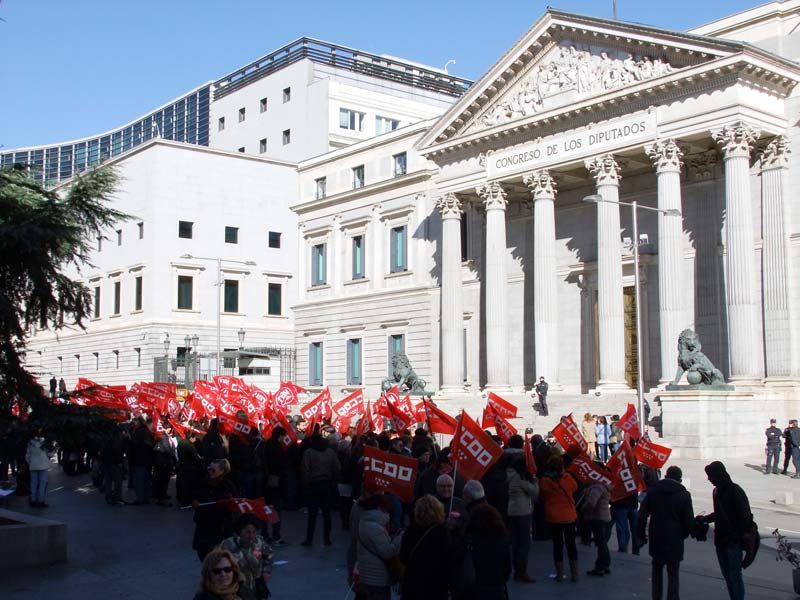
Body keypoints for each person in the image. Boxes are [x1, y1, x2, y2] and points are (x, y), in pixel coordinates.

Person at [637, 466, 694, 600]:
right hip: (675, 538)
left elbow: (642, 514)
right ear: (680, 479)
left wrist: (641, 534)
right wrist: (683, 534)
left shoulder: (653, 491)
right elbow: (689, 521)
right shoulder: (684, 495)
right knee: (673, 573)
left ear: (666, 476)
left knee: (656, 570)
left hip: (657, 535)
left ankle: (656, 597)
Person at [698, 461, 753, 600]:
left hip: (732, 542)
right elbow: (719, 514)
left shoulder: (735, 491)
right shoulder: (716, 491)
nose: (709, 479)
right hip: (721, 541)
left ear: (718, 475)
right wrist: (705, 519)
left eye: (710, 476)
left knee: (734, 576)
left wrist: (735, 537)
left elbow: (745, 517)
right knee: (728, 576)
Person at [454, 503, 511, 600]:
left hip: (472, 591)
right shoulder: (502, 539)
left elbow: (457, 565)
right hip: (495, 590)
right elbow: (506, 570)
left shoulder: (467, 540)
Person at [400, 495, 450, 600]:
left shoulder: (411, 531)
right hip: (436, 586)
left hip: (413, 584)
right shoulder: (443, 533)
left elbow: (403, 557)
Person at [538, 455, 579, 582]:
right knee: (571, 544)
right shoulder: (567, 478)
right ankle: (575, 574)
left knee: (557, 545)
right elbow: (575, 488)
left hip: (553, 516)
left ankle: (560, 574)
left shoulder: (544, 481)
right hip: (569, 516)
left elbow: (542, 495)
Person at [504, 435, 538, 583]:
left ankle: (515, 568)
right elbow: (535, 492)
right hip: (521, 511)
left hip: (510, 510)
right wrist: (535, 480)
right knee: (524, 542)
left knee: (514, 541)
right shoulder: (519, 478)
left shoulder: (506, 473)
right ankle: (521, 571)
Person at [356, 493, 402, 600]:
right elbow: (387, 552)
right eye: (386, 510)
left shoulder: (365, 522)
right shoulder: (374, 527)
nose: (388, 514)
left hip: (368, 577)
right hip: (377, 579)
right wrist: (399, 539)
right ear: (379, 508)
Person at [192, 458, 238, 561]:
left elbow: (235, 504)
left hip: (220, 527)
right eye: (209, 469)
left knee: (218, 558)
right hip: (203, 525)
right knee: (203, 555)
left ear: (222, 471)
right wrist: (194, 501)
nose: (210, 472)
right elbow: (194, 495)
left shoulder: (228, 485)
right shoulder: (203, 482)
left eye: (213, 470)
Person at [220, 513, 274, 600]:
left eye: (254, 532)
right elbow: (218, 563)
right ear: (239, 531)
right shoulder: (228, 544)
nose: (251, 536)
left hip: (256, 587)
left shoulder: (259, 541)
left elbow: (269, 555)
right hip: (236, 589)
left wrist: (266, 571)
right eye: (247, 532)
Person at [300, 432, 340, 546]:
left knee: (312, 514)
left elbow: (305, 469)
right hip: (326, 485)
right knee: (327, 514)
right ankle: (327, 539)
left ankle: (309, 539)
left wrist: (306, 484)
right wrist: (333, 481)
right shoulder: (330, 452)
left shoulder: (309, 452)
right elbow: (337, 468)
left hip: (313, 485)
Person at [583, 476, 612, 577]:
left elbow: (591, 502)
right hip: (604, 516)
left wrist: (584, 508)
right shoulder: (603, 486)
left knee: (600, 543)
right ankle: (606, 564)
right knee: (602, 542)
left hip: (597, 517)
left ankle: (600, 567)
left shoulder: (597, 487)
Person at [129, 416, 154, 505]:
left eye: (135, 422)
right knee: (146, 479)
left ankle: (140, 498)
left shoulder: (139, 433)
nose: (133, 424)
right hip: (147, 460)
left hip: (139, 459)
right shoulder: (147, 432)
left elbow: (134, 446)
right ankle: (146, 497)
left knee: (139, 480)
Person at [25, 429, 52, 507]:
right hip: (43, 466)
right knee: (42, 484)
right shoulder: (45, 443)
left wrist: (30, 463)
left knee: (33, 483)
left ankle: (33, 500)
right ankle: (41, 500)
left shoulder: (30, 443)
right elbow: (50, 454)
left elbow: (27, 455)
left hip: (33, 465)